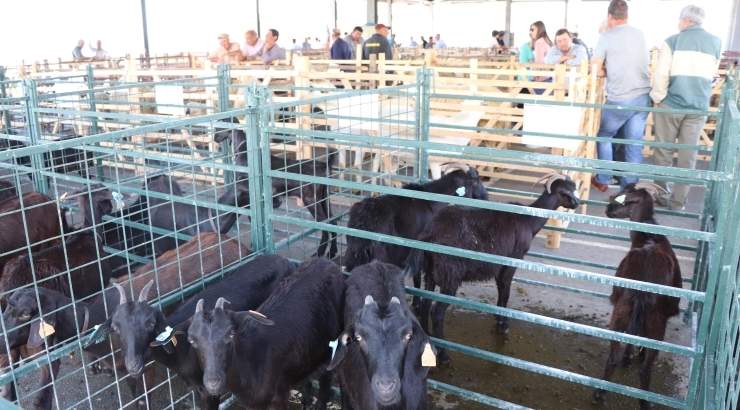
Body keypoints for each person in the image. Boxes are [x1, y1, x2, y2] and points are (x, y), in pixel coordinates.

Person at [650, 5, 721, 211]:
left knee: (663, 153)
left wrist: (657, 98)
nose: (678, 23)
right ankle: (678, 202)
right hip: (698, 107)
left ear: (687, 20)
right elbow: (711, 73)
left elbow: (662, 74)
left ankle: (661, 197)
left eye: (679, 20)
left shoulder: (672, 41)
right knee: (687, 157)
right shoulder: (716, 42)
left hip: (671, 104)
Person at [590, 0, 651, 194]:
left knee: (605, 135)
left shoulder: (606, 36)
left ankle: (603, 178)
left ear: (609, 16)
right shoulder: (640, 34)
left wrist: (607, 71)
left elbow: (594, 69)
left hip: (620, 99)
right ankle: (628, 192)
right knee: (634, 145)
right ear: (626, 16)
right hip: (642, 96)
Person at [531, 21, 553, 86]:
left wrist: (535, 75)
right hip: (548, 75)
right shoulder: (545, 40)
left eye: (533, 30)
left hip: (542, 77)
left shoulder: (539, 42)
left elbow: (539, 61)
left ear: (539, 30)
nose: (531, 32)